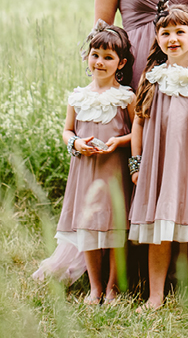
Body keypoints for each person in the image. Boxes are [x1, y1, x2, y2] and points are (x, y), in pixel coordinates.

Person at [129, 4, 188, 312]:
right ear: (156, 39)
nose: (172, 38)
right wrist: (137, 163)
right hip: (158, 166)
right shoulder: (151, 77)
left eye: (180, 32)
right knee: (160, 230)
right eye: (165, 33)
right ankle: (155, 296)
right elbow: (139, 122)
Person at [32, 22, 135, 303]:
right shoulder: (77, 96)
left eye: (108, 57)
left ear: (121, 63)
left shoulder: (126, 97)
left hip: (114, 171)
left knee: (115, 227)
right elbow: (67, 130)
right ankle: (95, 287)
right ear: (88, 57)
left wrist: (120, 142)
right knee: (87, 225)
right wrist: (75, 143)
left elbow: (138, 133)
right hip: (85, 171)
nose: (100, 62)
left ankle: (114, 287)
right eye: (95, 54)